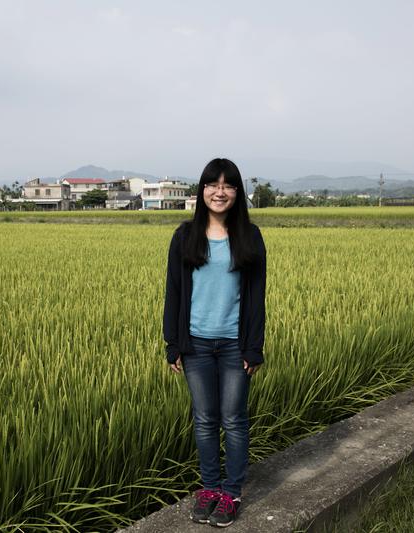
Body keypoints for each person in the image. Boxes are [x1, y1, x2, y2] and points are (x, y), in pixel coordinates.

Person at [163, 157, 267, 527]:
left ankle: (232, 492)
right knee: (205, 420)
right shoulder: (184, 237)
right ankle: (209, 488)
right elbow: (173, 292)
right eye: (211, 184)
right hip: (196, 346)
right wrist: (172, 344)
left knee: (234, 420)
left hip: (234, 346)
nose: (218, 192)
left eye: (227, 185)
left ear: (237, 192)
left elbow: (256, 296)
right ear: (201, 190)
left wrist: (254, 347)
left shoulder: (250, 238)